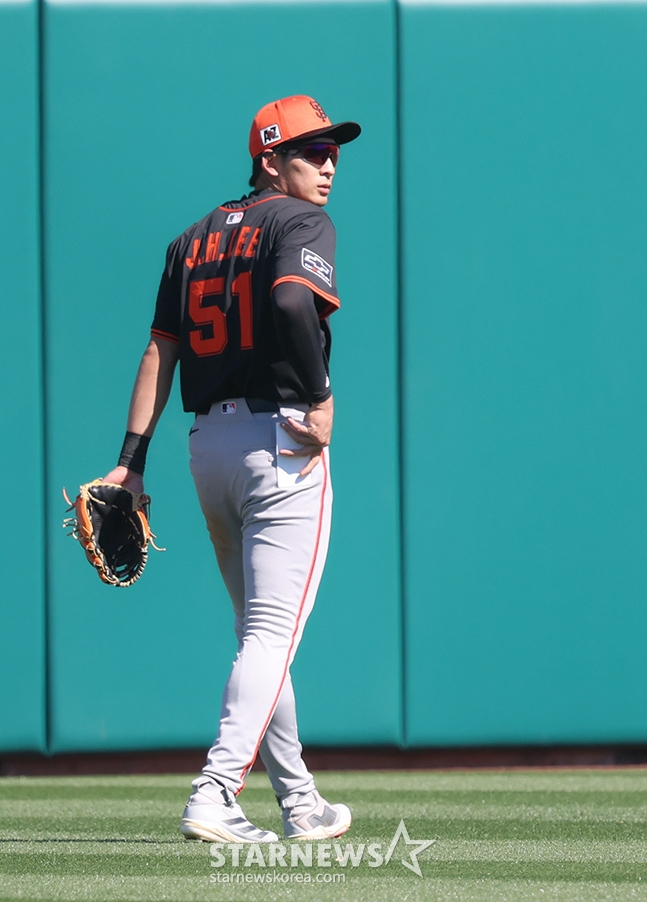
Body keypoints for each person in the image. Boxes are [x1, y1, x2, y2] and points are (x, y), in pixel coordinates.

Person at [102, 95, 361, 843]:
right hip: (281, 444)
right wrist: (320, 397)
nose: (328, 165)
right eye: (312, 152)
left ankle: (300, 802)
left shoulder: (190, 240)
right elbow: (291, 302)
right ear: (269, 161)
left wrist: (129, 465)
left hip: (207, 449)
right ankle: (214, 792)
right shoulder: (298, 222)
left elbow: (161, 351)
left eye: (333, 152)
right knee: (271, 636)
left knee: (258, 635)